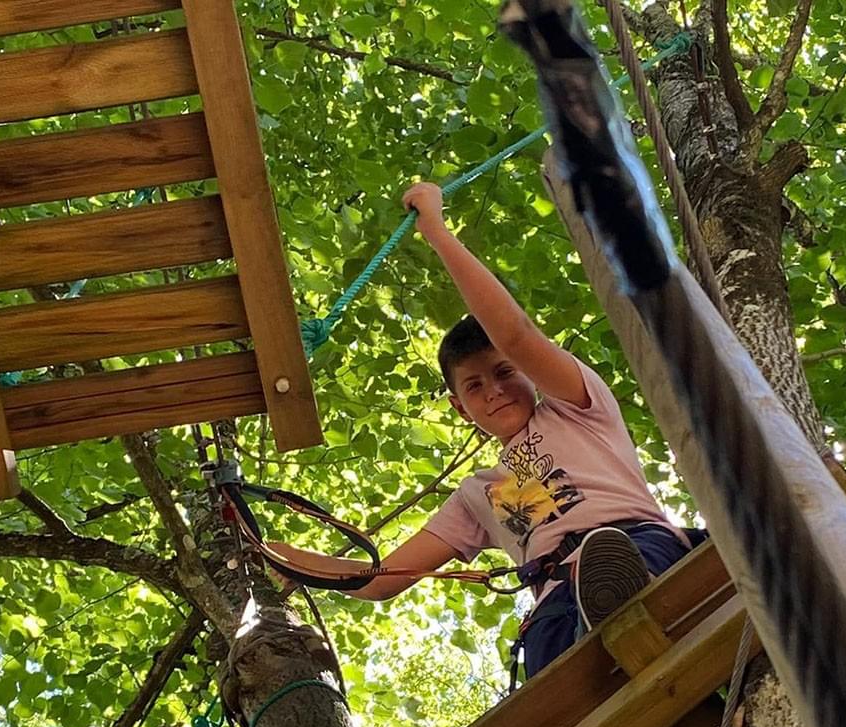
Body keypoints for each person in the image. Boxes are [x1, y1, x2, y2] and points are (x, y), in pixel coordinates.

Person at [270, 181, 703, 685]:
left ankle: (617, 596)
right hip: (556, 604)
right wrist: (282, 555)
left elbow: (515, 334)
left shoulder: (576, 407)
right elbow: (381, 580)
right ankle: (590, 638)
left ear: (525, 371)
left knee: (615, 568)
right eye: (475, 386)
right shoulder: (482, 493)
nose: (494, 390)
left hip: (636, 549)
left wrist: (435, 228)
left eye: (503, 372)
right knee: (552, 666)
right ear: (459, 408)